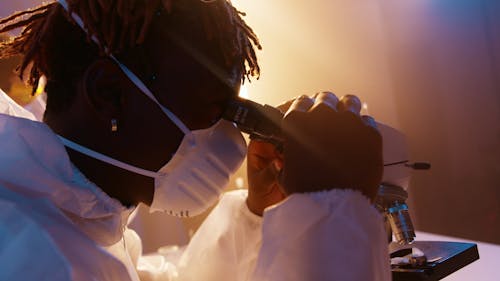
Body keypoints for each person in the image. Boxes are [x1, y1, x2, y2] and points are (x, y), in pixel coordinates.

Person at [0, 0, 389, 280]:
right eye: (213, 108)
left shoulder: (77, 214)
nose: (229, 137)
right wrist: (332, 216)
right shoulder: (31, 258)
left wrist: (256, 217)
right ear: (109, 93)